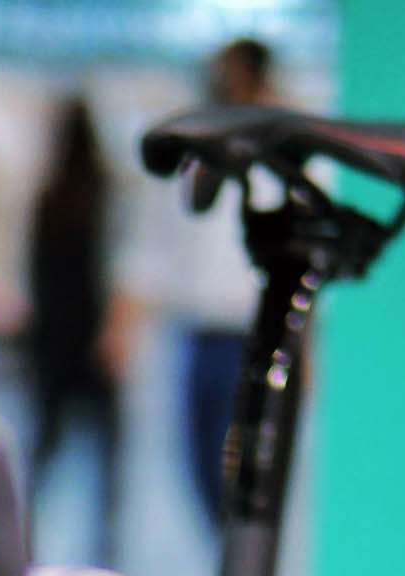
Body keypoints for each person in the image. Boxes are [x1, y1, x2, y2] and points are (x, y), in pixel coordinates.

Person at [122, 37, 277, 533]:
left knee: (243, 460)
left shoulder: (282, 157)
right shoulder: (195, 154)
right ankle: (222, 540)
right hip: (198, 331)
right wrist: (124, 323)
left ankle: (235, 543)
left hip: (255, 331)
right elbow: (152, 250)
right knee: (197, 458)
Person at [25, 93, 124, 565]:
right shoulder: (103, 194)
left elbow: (35, 274)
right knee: (105, 452)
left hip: (55, 337)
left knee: (47, 443)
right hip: (92, 334)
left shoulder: (51, 197)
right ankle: (106, 541)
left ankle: (25, 531)